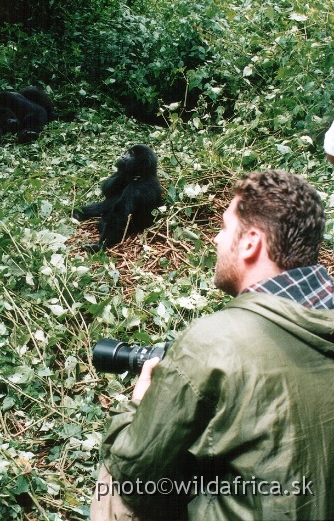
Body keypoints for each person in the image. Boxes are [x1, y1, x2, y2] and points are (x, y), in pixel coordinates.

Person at [91, 170, 334, 521]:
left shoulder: (214, 341)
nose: (216, 240)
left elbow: (134, 467)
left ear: (250, 242)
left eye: (223, 228)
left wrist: (138, 404)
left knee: (116, 483)